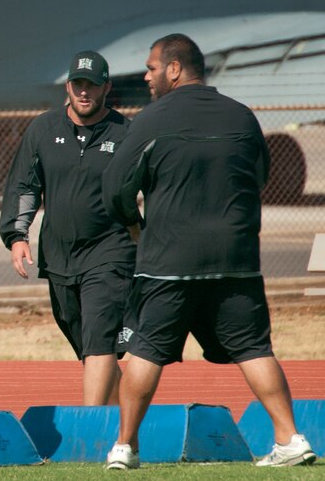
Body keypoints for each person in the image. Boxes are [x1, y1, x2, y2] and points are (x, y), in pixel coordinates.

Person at [101, 33, 315, 470]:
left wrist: (134, 224)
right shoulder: (241, 116)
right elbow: (259, 177)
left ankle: (125, 447)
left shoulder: (152, 118)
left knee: (144, 350)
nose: (146, 75)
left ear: (175, 68)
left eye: (152, 67)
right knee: (255, 348)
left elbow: (116, 188)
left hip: (168, 262)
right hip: (236, 261)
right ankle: (290, 438)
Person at [0, 50, 136, 406]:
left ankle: (92, 430)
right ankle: (129, 422)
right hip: (59, 256)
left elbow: (153, 188)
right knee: (88, 346)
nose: (84, 92)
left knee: (99, 343)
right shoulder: (43, 129)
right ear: (68, 87)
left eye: (91, 85)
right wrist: (17, 236)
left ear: (106, 87)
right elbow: (25, 186)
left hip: (110, 252)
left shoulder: (126, 133)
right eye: (78, 84)